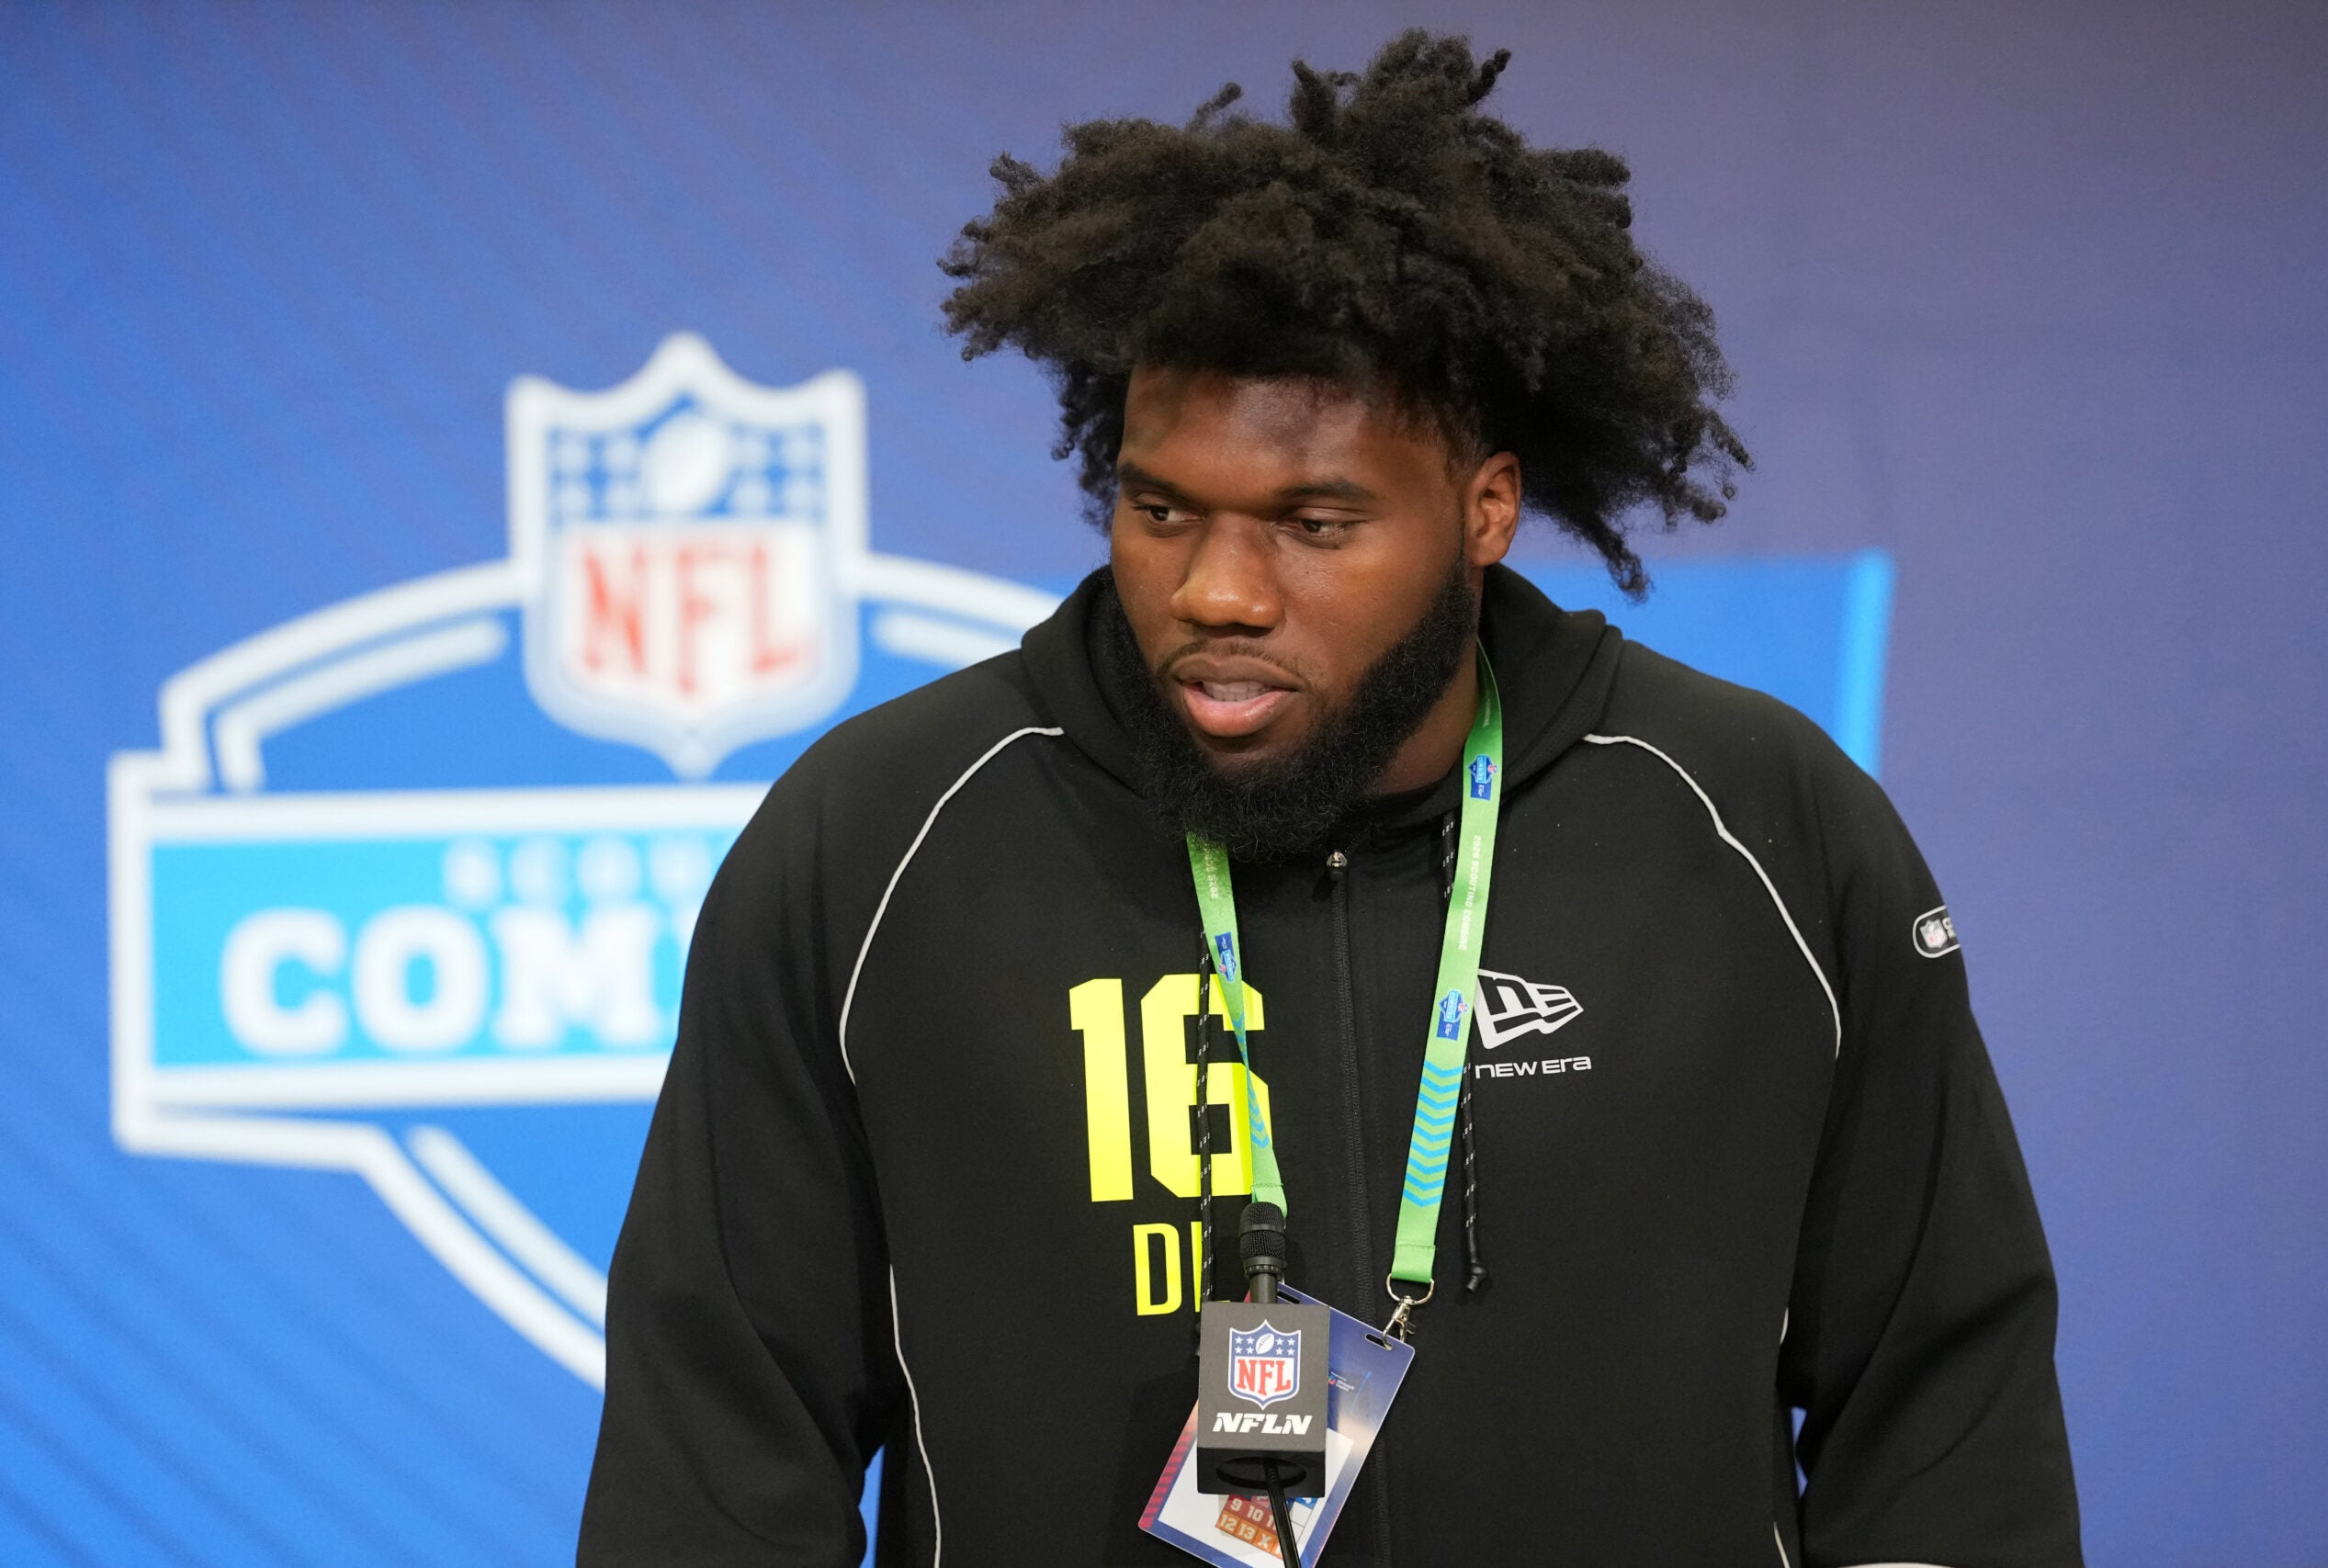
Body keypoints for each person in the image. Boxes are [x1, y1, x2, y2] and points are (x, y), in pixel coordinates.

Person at [579, 31, 2081, 1568]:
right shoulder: (881, 840)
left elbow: (1947, 1431)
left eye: (1315, 520)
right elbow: (711, 1470)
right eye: (1161, 508)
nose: (1217, 590)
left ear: (1484, 509)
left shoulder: (1760, 829)